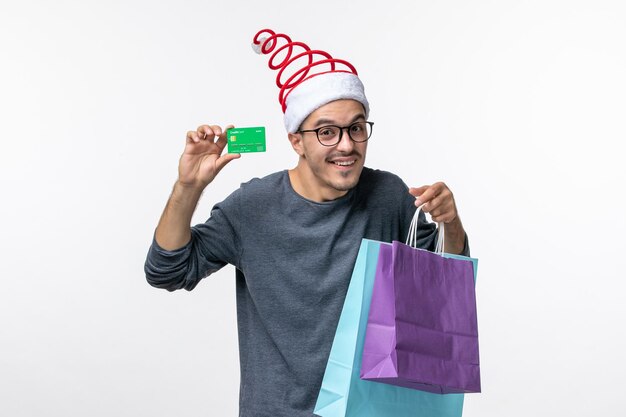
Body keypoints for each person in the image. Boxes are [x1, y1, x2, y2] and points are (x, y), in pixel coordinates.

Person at [144, 29, 469, 417]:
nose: (346, 145)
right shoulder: (253, 206)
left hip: (373, 408)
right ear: (296, 140)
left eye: (356, 128)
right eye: (327, 132)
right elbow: (167, 271)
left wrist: (451, 222)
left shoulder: (389, 196)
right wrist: (188, 186)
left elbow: (445, 292)